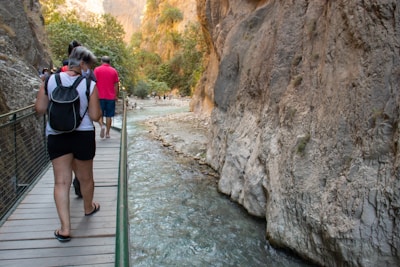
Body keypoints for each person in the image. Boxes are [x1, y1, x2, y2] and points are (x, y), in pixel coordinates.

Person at [35, 46, 102, 242]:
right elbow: (95, 115)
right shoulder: (89, 84)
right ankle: (88, 208)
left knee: (61, 182)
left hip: (57, 136)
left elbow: (40, 108)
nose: (88, 68)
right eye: (88, 64)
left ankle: (65, 228)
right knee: (86, 178)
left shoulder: (50, 80)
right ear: (82, 64)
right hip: (83, 136)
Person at [94, 56, 119, 139]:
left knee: (99, 114)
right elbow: (116, 85)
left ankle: (102, 126)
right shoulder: (114, 71)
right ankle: (108, 133)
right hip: (110, 97)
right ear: (109, 62)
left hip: (99, 96)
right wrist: (116, 95)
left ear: (101, 61)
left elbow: (93, 83)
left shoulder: (97, 70)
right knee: (109, 115)